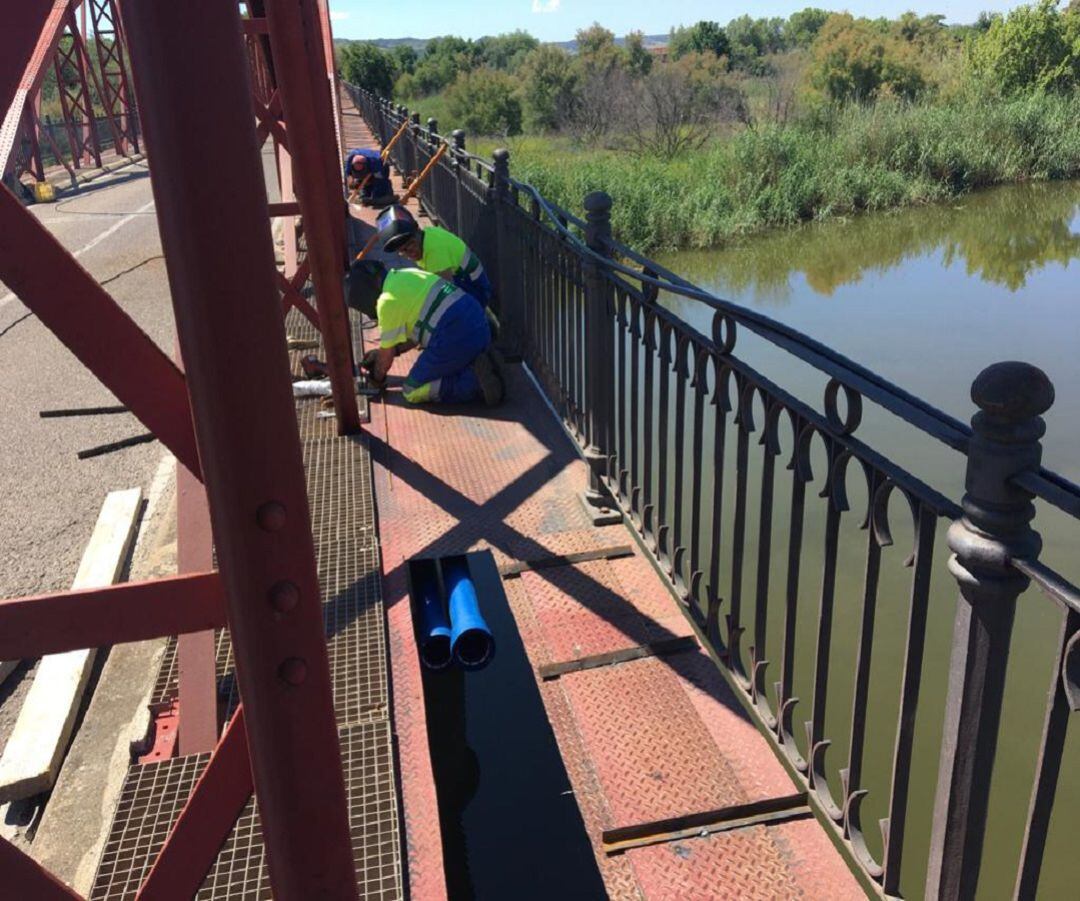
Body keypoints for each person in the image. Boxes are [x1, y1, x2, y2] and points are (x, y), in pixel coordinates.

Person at [345, 259, 504, 406]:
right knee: (443, 347)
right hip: (478, 323)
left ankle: (474, 382)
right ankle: (479, 360)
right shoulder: (406, 275)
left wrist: (375, 379)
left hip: (456, 335)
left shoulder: (386, 302)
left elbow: (384, 363)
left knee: (412, 390)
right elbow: (417, 332)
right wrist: (386, 352)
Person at [375, 205, 493, 309]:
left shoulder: (434, 252)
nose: (409, 253)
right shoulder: (426, 237)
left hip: (474, 289)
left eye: (410, 244)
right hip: (466, 282)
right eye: (402, 251)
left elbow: (444, 292)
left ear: (417, 232)